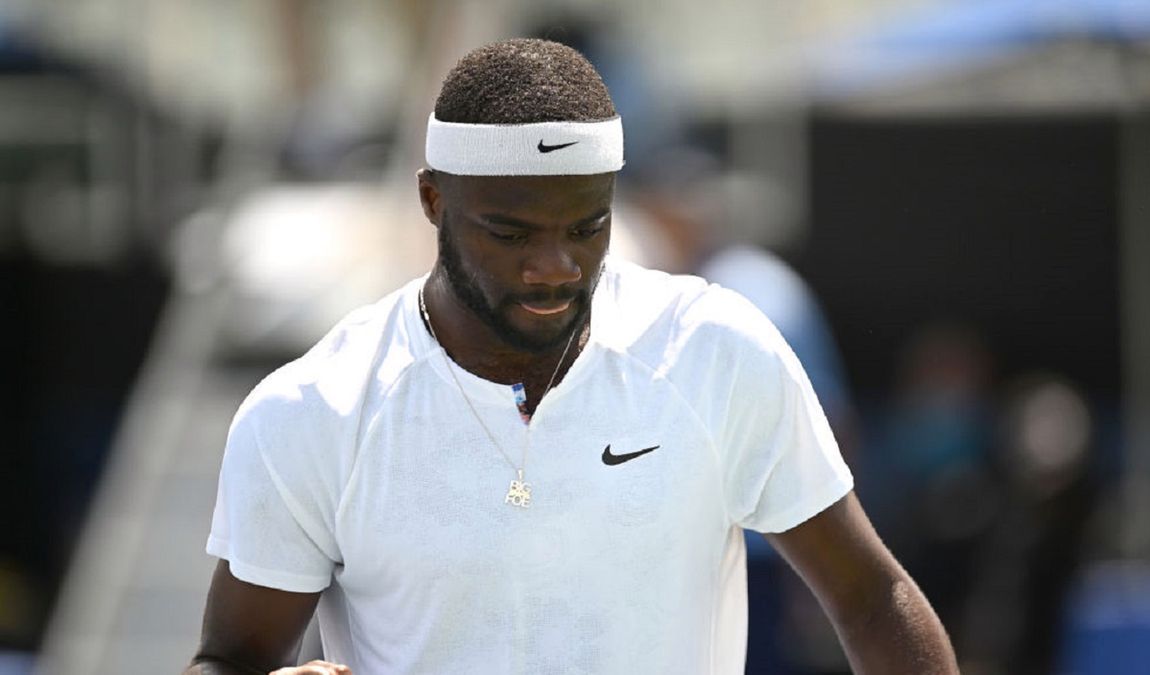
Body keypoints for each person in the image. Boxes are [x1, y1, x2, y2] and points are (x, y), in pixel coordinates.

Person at [185, 38, 958, 675]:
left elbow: (870, 596)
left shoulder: (713, 349)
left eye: (586, 226)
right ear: (431, 201)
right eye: (512, 232)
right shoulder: (315, 408)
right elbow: (229, 656)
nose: (555, 266)